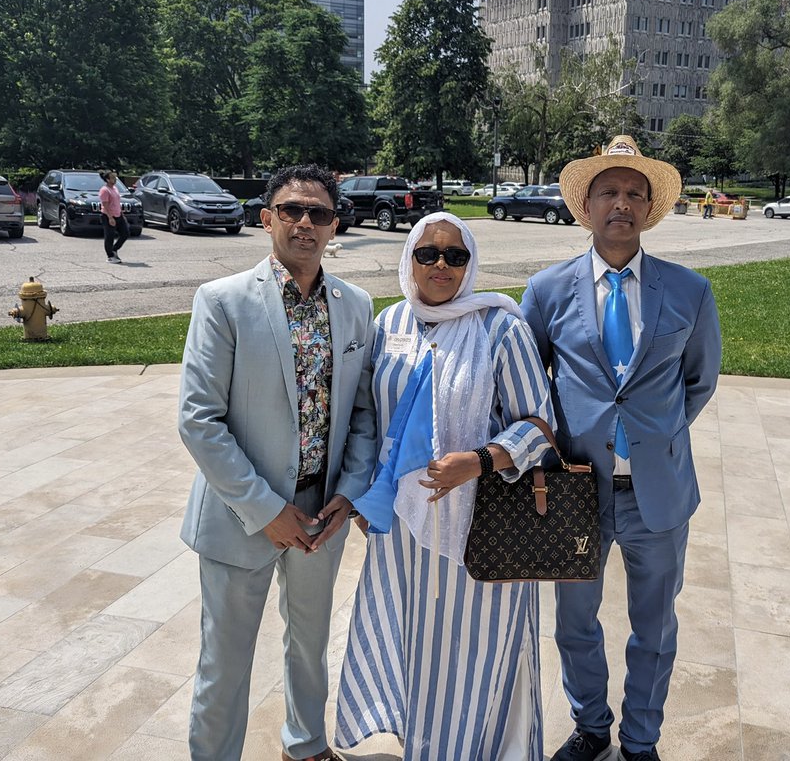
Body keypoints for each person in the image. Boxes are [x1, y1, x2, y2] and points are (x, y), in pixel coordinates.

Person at [521, 136, 722, 761]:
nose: (622, 203)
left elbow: (700, 380)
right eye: (609, 191)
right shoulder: (548, 290)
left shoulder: (688, 290)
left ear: (649, 209)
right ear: (586, 205)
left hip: (656, 494)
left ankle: (640, 742)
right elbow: (531, 382)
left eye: (636, 193)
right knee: (574, 623)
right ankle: (591, 727)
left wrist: (653, 434)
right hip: (576, 490)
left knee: (655, 628)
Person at [335, 212, 555, 761]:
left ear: (471, 264)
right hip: (403, 536)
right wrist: (366, 496)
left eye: (455, 256)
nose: (440, 265)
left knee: (474, 653)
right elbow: (369, 418)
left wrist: (480, 460)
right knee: (413, 645)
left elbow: (540, 426)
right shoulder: (389, 325)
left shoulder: (499, 327)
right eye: (427, 254)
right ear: (408, 259)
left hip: (480, 532)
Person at [178, 164, 378, 761]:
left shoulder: (356, 304)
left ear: (334, 225)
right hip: (244, 516)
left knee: (310, 645)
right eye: (292, 210)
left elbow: (363, 410)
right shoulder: (223, 302)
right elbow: (199, 420)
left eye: (319, 213)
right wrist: (266, 510)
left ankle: (307, 744)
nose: (305, 223)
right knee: (226, 664)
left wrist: (350, 490)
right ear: (266, 219)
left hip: (322, 513)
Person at [99, 170, 129, 263]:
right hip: (108, 216)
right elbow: (105, 205)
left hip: (118, 214)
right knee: (109, 236)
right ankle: (110, 256)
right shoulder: (105, 190)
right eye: (112, 177)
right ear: (108, 180)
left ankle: (114, 249)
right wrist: (110, 217)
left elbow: (117, 202)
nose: (115, 179)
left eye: (115, 177)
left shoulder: (115, 188)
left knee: (126, 233)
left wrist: (122, 214)